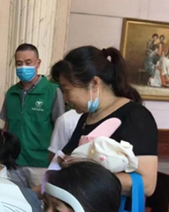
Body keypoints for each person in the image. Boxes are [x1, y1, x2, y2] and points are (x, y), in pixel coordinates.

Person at [51, 46, 159, 197]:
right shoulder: (86, 117)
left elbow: (147, 184)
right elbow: (67, 158)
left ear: (94, 84)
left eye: (67, 90)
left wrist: (85, 178)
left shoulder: (136, 116)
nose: (65, 98)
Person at [0, 43, 65, 185]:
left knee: (39, 204)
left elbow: (61, 128)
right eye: (19, 63)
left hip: (41, 164)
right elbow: (7, 127)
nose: (23, 67)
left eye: (28, 62)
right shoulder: (11, 93)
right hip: (14, 163)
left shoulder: (52, 91)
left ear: (38, 63)